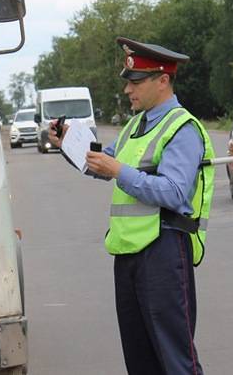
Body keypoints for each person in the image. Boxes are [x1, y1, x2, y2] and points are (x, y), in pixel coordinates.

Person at [49, 37, 215, 375]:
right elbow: (101, 165)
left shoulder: (183, 128)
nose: (128, 90)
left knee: (175, 360)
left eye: (135, 81)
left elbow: (174, 192)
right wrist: (67, 143)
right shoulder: (135, 126)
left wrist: (119, 172)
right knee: (140, 360)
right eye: (128, 82)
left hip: (165, 250)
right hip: (129, 254)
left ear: (163, 80)